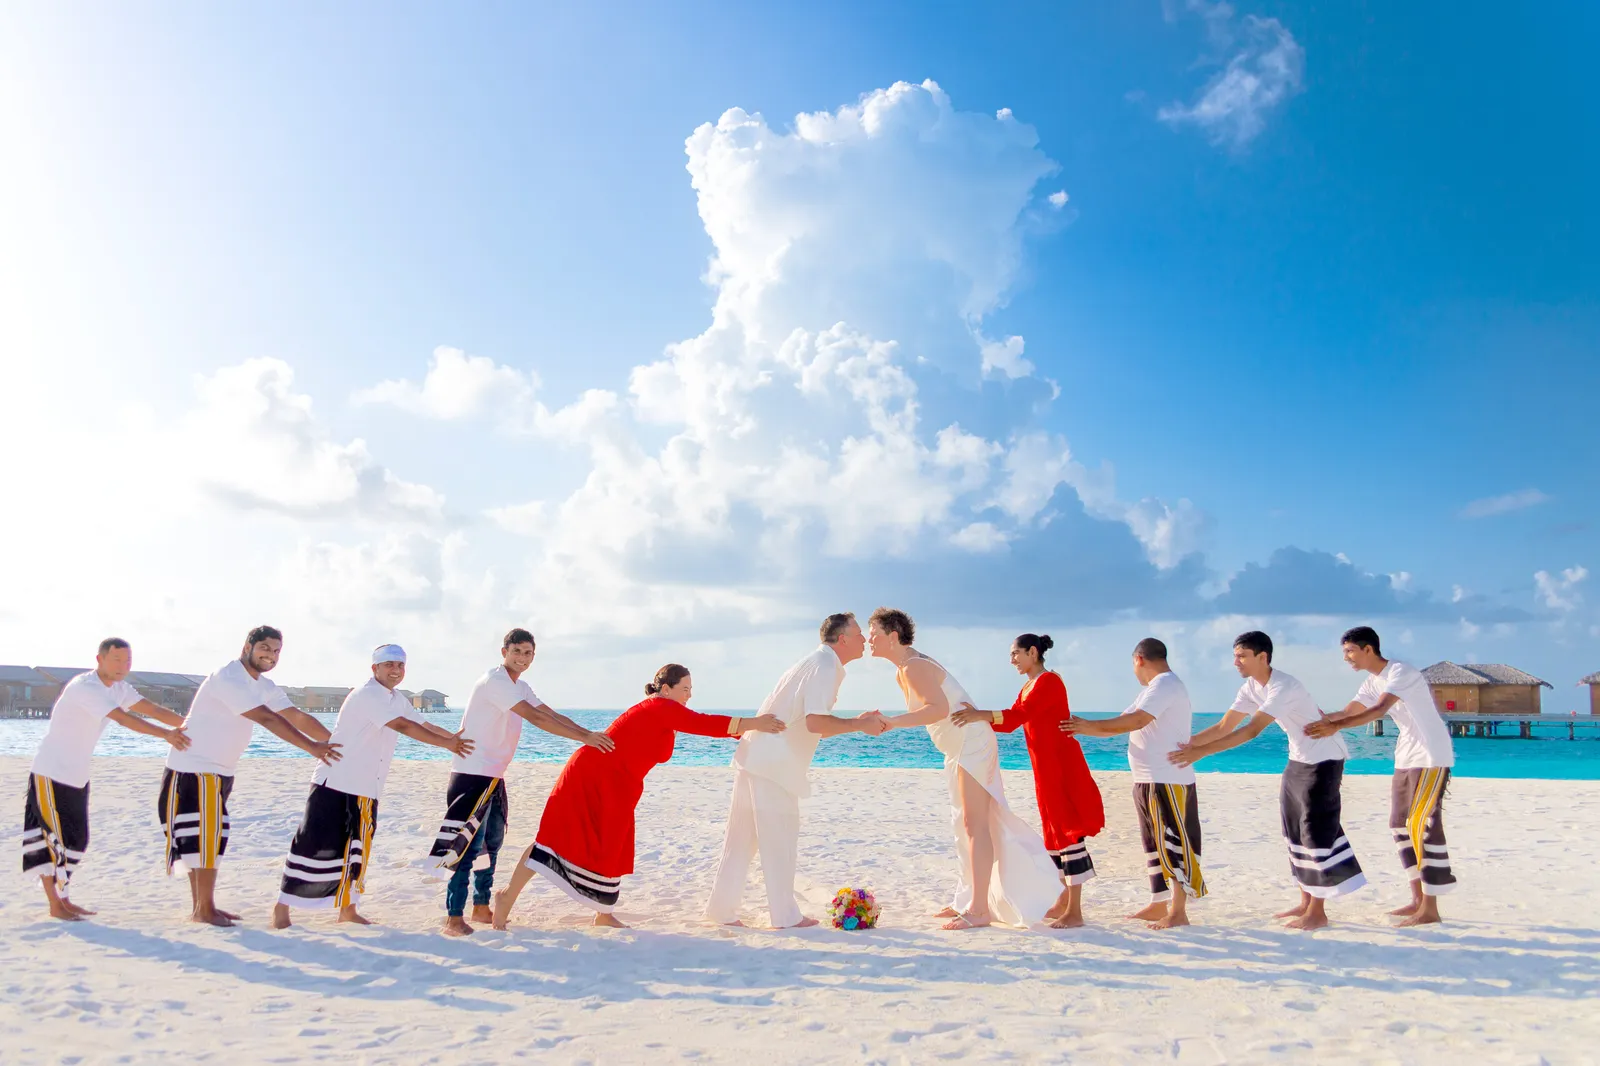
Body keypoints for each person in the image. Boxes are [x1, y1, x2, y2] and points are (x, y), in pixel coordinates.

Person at [492, 664, 784, 929]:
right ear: (666, 689)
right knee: (554, 837)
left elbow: (702, 726)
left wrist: (751, 732)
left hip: (617, 784)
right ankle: (507, 896)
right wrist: (756, 723)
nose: (689, 695)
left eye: (691, 691)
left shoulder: (665, 712)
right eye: (685, 689)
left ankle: (603, 913)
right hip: (592, 776)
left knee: (612, 842)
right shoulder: (659, 706)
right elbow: (705, 724)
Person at [868, 608, 1061, 931]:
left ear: (892, 636)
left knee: (975, 825)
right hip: (957, 746)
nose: (869, 639)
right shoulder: (906, 667)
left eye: (872, 632)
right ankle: (967, 898)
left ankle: (979, 908)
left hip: (970, 744)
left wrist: (892, 723)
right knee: (964, 824)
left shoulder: (914, 666)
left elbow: (937, 709)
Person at [425, 628, 616, 936]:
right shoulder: (496, 681)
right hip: (472, 774)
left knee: (492, 843)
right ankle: (454, 917)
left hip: (493, 775)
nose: (522, 658)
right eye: (516, 652)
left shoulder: (520, 685)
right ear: (504, 652)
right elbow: (536, 719)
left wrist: (590, 737)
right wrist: (585, 738)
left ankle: (481, 907)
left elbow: (549, 713)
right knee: (465, 845)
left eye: (528, 653)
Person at [1169, 631, 1365, 930]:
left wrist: (1201, 754)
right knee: (1293, 829)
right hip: (1299, 758)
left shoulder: (1283, 687)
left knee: (1315, 829)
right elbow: (1224, 726)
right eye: (1235, 656)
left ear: (1263, 657)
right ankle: (1304, 901)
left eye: (1242, 656)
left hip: (1324, 759)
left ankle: (1318, 911)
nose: (1236, 662)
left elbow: (1251, 731)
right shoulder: (1251, 687)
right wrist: (1188, 745)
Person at [272, 645, 476, 929]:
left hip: (368, 787)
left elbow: (424, 723)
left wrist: (455, 739)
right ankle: (281, 910)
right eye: (389, 664)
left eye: (400, 666)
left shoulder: (396, 698)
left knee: (357, 849)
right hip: (336, 781)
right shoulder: (367, 694)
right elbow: (404, 727)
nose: (395, 670)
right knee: (310, 844)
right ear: (375, 668)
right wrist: (446, 744)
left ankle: (348, 910)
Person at [705, 613, 885, 929]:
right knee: (780, 841)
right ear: (842, 639)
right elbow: (816, 722)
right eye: (858, 634)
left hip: (756, 756)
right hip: (774, 764)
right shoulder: (826, 666)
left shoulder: (815, 662)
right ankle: (785, 917)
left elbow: (812, 724)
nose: (863, 640)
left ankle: (721, 911)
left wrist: (858, 722)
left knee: (741, 843)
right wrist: (860, 725)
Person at [160, 625, 341, 926]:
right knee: (206, 839)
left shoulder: (262, 685)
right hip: (194, 767)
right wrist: (312, 748)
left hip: (218, 771)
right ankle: (203, 910)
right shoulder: (229, 677)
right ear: (248, 646)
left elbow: (294, 715)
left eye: (276, 651)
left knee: (208, 839)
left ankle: (204, 907)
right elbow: (267, 718)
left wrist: (335, 742)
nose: (271, 655)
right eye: (266, 648)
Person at [24, 638, 191, 920]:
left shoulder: (118, 688)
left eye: (127, 661)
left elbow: (150, 709)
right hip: (51, 772)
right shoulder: (85, 687)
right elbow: (123, 719)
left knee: (77, 840)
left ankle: (64, 899)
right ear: (100, 659)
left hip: (77, 775)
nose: (123, 666)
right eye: (116, 660)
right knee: (54, 842)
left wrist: (189, 725)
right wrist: (166, 735)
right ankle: (56, 905)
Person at [951, 633, 1105, 928]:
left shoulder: (1049, 682)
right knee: (1053, 832)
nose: (1012, 660)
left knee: (1067, 831)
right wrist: (976, 723)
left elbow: (1019, 715)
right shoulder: (1028, 686)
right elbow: (1009, 722)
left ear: (1033, 652)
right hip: (1044, 771)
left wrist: (977, 715)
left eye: (1015, 654)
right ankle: (1061, 901)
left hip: (1062, 768)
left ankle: (1075, 911)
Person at [1305, 625, 1457, 926]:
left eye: (1350, 651)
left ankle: (1430, 908)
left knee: (1421, 824)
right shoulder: (1372, 681)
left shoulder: (1401, 672)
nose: (1347, 658)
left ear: (1368, 649)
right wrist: (1313, 720)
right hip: (1406, 757)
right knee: (1399, 825)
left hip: (1431, 756)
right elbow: (1350, 709)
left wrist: (1337, 727)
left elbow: (1378, 710)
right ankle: (1416, 899)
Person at [1063, 637, 1204, 929]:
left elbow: (1136, 721)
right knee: (1154, 844)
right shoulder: (1152, 690)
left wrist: (1086, 726)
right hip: (1149, 780)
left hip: (1166, 779)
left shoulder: (1165, 685)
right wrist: (1084, 729)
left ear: (1139, 659)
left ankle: (1178, 912)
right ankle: (1157, 904)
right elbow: (1123, 721)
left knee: (1173, 843)